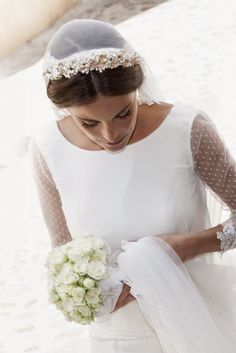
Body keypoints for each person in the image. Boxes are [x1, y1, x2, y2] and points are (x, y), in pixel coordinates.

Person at [29, 19, 236, 352]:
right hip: (119, 336)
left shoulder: (187, 129)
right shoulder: (47, 149)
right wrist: (95, 293)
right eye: (89, 123)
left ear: (138, 88)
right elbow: (61, 252)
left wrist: (188, 246)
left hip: (196, 321)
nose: (110, 135)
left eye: (124, 113)